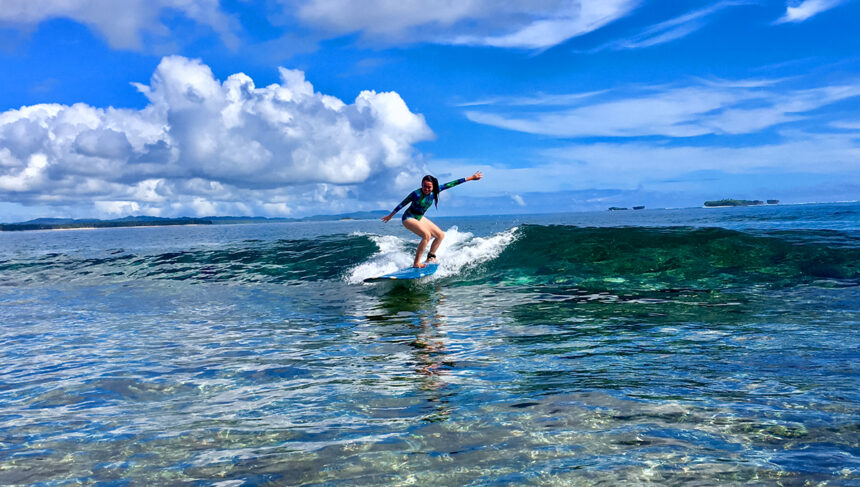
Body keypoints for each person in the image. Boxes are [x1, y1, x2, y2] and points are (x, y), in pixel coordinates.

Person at [382, 171, 483, 268]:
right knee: (426, 235)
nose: (426, 189)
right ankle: (416, 263)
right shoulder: (416, 194)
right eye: (424, 186)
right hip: (408, 218)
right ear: (421, 184)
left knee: (440, 235)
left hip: (419, 218)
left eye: (429, 187)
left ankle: (430, 257)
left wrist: (471, 178)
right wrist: (391, 215)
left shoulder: (436, 190)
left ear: (433, 186)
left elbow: (452, 184)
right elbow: (402, 204)